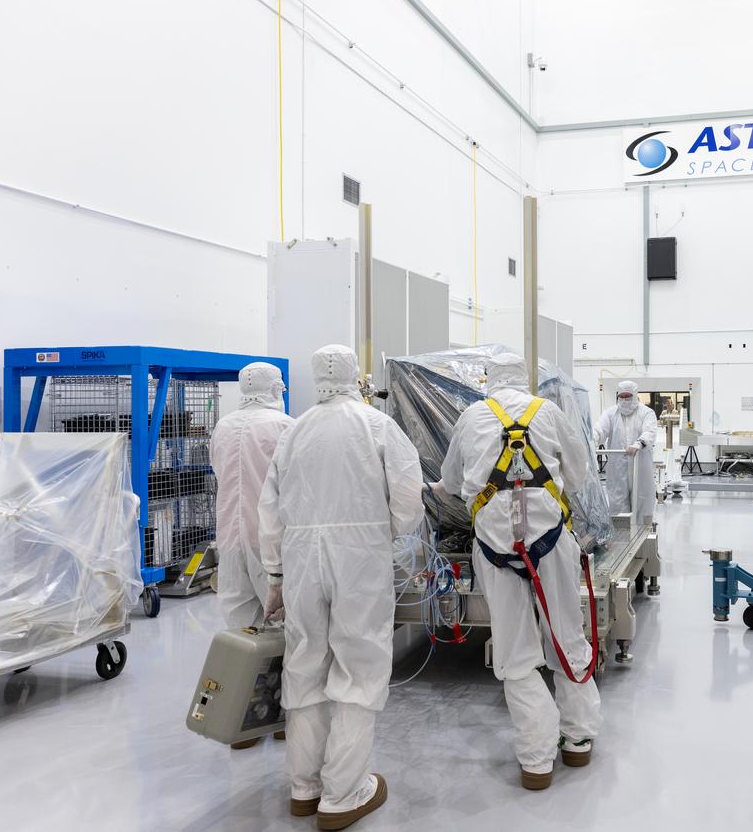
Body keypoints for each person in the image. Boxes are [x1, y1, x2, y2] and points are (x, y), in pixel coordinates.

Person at [259, 344, 424, 831]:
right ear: (356, 376)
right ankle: (342, 793)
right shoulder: (377, 426)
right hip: (360, 556)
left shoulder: (295, 432)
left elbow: (269, 508)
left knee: (305, 663)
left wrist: (274, 574)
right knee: (359, 664)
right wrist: (387, 532)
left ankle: (303, 788)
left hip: (300, 558)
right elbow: (409, 495)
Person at [438, 352, 601, 791]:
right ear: (527, 381)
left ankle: (536, 761)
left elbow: (451, 482)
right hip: (551, 541)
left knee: (514, 647)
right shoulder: (548, 413)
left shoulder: (471, 416)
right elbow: (581, 474)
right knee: (567, 635)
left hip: (494, 547)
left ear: (490, 381)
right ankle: (579, 740)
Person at [209, 362, 294, 749]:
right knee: (284, 626)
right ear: (276, 388)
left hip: (230, 537)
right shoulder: (285, 427)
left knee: (240, 626)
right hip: (270, 540)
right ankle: (283, 718)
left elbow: (217, 471)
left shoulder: (224, 427)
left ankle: (245, 720)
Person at [594, 381, 657, 521]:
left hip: (640, 467)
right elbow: (600, 430)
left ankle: (643, 535)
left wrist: (638, 444)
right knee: (617, 502)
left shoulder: (646, 412)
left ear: (635, 395)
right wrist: (591, 441)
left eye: (628, 396)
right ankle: (621, 534)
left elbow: (650, 431)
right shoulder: (610, 413)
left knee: (642, 500)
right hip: (617, 469)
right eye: (621, 396)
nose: (624, 400)